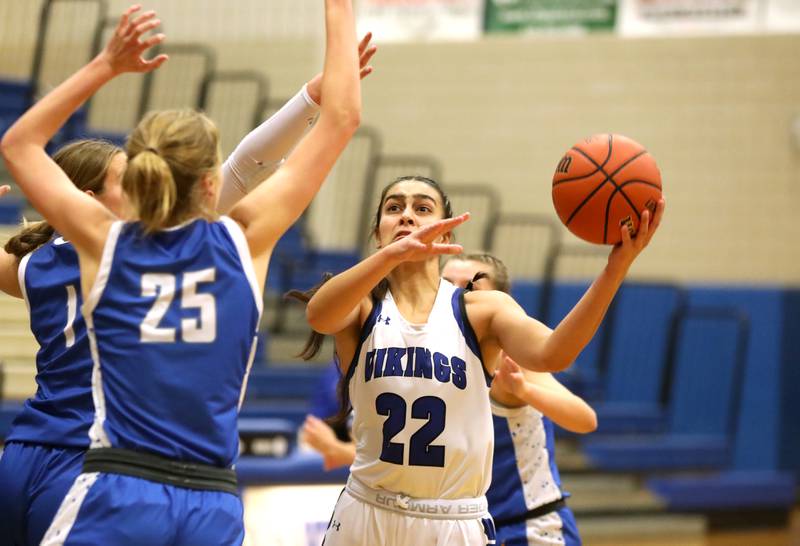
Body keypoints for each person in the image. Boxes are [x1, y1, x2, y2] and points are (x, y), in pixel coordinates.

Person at [1, 1, 361, 544]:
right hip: (204, 491)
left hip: (100, 477)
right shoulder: (239, 240)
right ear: (208, 186)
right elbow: (335, 122)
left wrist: (106, 64)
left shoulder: (86, 247)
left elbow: (19, 146)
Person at [293, 174, 663, 545]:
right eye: (394, 208)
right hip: (366, 512)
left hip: (452, 520)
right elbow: (318, 315)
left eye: (422, 208)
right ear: (378, 233)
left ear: (445, 236)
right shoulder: (362, 307)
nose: (406, 216)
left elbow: (555, 353)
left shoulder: (481, 310)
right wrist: (393, 255)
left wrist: (615, 269)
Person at [302, 252, 596, 545]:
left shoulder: (513, 359)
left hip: (531, 523)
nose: (456, 291)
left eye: (469, 285)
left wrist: (525, 391)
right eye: (449, 282)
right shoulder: (436, 364)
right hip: (466, 523)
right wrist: (342, 452)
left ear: (499, 297)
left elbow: (585, 419)